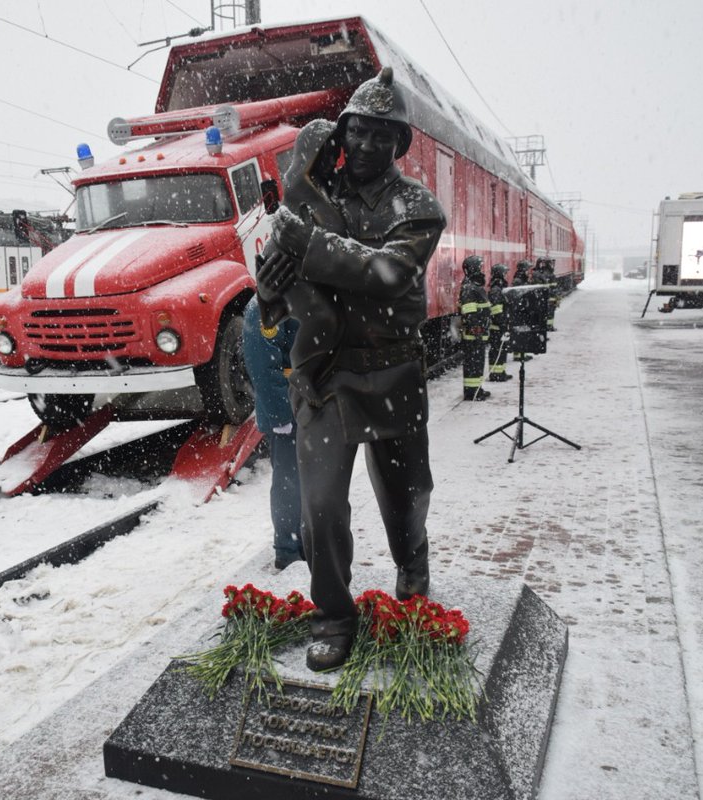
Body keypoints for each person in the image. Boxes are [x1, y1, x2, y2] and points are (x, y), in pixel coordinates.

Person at [258, 67, 446, 671]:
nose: (365, 145)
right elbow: (285, 289)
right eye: (357, 132)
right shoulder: (314, 194)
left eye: (380, 135)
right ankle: (333, 615)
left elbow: (388, 275)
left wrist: (306, 246)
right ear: (342, 134)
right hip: (326, 376)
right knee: (320, 506)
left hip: (392, 373)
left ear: (398, 143)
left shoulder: (417, 206)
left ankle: (412, 574)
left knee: (406, 496)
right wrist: (268, 288)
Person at [256, 118, 346, 408]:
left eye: (335, 153)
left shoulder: (335, 190)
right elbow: (328, 231)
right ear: (311, 155)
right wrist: (266, 294)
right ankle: (304, 372)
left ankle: (306, 371)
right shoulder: (304, 191)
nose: (332, 160)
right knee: (323, 317)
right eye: (326, 153)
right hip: (292, 272)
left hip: (356, 368)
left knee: (325, 318)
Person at [242, 296, 305, 571]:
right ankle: (289, 550)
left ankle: (305, 541)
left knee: (308, 482)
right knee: (289, 483)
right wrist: (281, 416)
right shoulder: (264, 305)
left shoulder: (298, 294)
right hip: (289, 410)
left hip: (306, 407)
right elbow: (263, 367)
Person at [459, 255, 492, 400]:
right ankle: (471, 393)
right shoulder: (469, 288)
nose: (480, 269)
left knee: (478, 363)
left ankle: (477, 389)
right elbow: (469, 311)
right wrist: (476, 329)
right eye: (478, 266)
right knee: (473, 363)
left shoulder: (474, 286)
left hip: (478, 334)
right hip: (473, 336)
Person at [487, 262, 513, 382]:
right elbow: (496, 310)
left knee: (502, 349)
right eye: (504, 273)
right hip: (497, 327)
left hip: (501, 326)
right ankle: (495, 374)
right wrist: (502, 324)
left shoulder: (499, 288)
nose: (506, 275)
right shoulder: (496, 290)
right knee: (497, 350)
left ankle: (500, 372)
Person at [511, 259, 533, 362]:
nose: (529, 271)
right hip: (519, 310)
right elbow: (517, 296)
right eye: (528, 269)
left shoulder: (522, 279)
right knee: (519, 331)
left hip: (522, 309)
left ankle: (521, 352)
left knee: (523, 331)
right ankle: (518, 354)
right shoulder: (518, 281)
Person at [533, 257, 558, 331]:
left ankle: (542, 326)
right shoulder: (551, 275)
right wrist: (556, 299)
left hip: (541, 298)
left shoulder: (537, 273)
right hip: (550, 298)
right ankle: (550, 326)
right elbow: (553, 288)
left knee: (542, 313)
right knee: (550, 313)